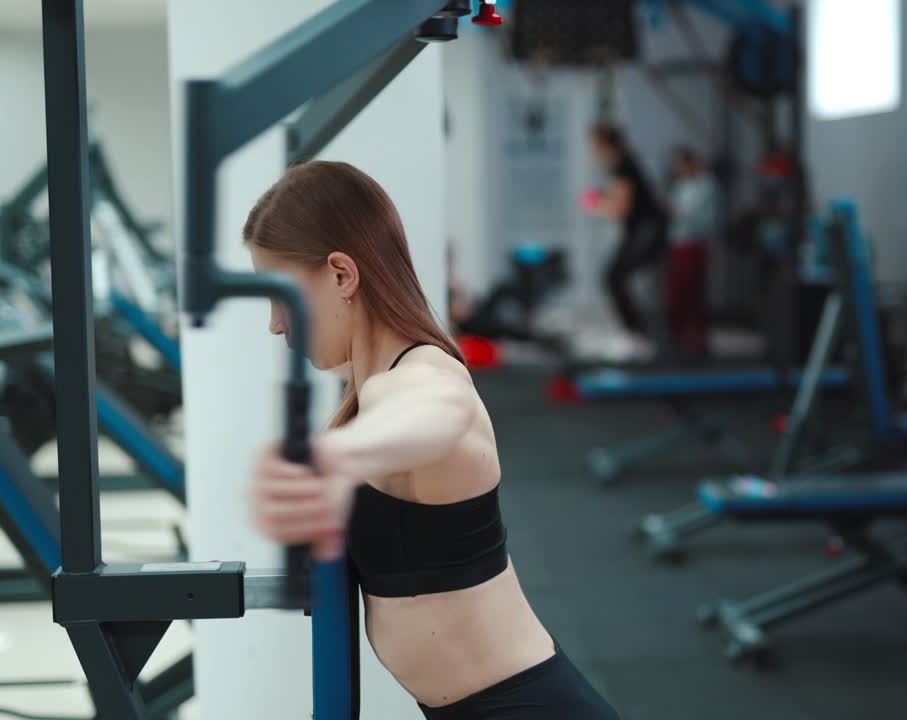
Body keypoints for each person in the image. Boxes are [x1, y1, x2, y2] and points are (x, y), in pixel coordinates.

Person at [244, 161, 619, 720]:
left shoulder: (424, 374)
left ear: (342, 275)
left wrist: (338, 455)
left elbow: (436, 414)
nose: (276, 324)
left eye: (281, 296)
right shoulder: (366, 390)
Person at [584, 123, 667, 355]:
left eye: (593, 145)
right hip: (643, 230)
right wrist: (602, 200)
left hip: (648, 231)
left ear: (603, 144)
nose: (592, 151)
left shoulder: (623, 165)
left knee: (613, 276)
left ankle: (638, 336)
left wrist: (594, 204)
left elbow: (619, 210)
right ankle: (637, 334)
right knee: (615, 277)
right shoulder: (623, 164)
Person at [665, 146, 716, 357]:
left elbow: (687, 214)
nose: (677, 170)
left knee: (692, 293)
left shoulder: (705, 185)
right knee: (677, 295)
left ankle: (695, 340)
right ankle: (680, 338)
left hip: (694, 244)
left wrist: (674, 211)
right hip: (679, 244)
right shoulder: (681, 185)